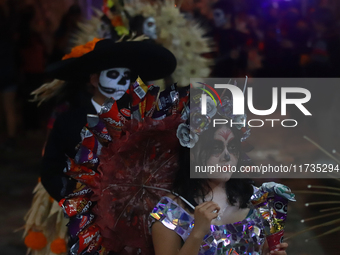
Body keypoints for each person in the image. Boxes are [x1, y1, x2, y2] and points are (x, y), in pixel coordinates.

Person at [150, 92, 291, 255]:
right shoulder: (170, 211)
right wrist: (197, 233)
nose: (227, 156)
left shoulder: (256, 198)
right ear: (192, 153)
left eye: (232, 148)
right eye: (215, 148)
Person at [41, 38, 176, 202]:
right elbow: (51, 170)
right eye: (113, 75)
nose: (122, 82)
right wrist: (78, 198)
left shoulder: (141, 117)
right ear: (94, 80)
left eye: (126, 76)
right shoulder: (69, 122)